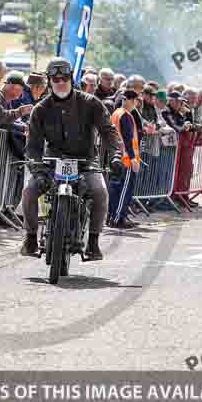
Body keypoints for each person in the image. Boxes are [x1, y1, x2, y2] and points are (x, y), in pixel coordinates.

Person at [20, 57, 124, 261]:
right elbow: (32, 146)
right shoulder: (40, 109)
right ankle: (31, 237)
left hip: (86, 161)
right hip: (52, 161)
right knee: (30, 191)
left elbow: (108, 132)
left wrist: (116, 156)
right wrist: (37, 168)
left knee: (100, 192)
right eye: (55, 79)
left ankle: (93, 242)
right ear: (49, 81)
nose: (60, 82)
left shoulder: (91, 103)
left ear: (71, 78)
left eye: (65, 77)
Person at [108, 89, 142, 229]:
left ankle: (114, 216)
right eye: (134, 100)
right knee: (124, 190)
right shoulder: (126, 115)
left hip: (117, 157)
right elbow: (128, 138)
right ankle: (118, 218)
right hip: (126, 159)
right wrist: (133, 158)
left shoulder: (116, 113)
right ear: (129, 100)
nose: (135, 103)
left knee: (116, 189)